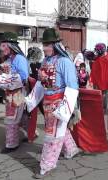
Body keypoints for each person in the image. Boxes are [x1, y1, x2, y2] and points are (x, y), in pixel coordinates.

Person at [34, 28, 80, 179]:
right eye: (44, 44)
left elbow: (72, 86)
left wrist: (66, 107)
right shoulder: (45, 61)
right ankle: (71, 149)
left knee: (52, 134)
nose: (45, 47)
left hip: (59, 102)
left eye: (48, 44)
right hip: (47, 102)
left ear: (55, 45)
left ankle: (46, 166)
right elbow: (42, 83)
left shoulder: (65, 62)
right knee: (59, 129)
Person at [0, 32, 29, 154]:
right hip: (10, 92)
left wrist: (8, 79)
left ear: (11, 46)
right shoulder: (10, 59)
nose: (2, 49)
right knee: (21, 116)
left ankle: (11, 144)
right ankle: (30, 133)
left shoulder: (19, 59)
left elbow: (24, 77)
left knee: (12, 117)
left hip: (17, 93)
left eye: (4, 46)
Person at [90, 43, 108, 112]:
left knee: (98, 95)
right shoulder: (106, 59)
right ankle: (104, 110)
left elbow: (93, 73)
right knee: (105, 95)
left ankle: (97, 109)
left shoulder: (95, 61)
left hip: (97, 82)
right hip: (106, 81)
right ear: (103, 51)